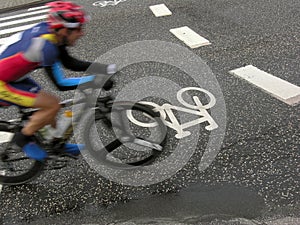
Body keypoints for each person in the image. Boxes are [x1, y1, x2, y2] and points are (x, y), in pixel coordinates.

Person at [0, 1, 116, 160]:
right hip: (2, 83)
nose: (82, 33)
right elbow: (60, 84)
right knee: (52, 104)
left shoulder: (53, 34)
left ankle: (57, 143)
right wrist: (94, 80)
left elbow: (70, 63)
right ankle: (22, 138)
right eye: (78, 28)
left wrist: (104, 69)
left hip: (13, 77)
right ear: (63, 30)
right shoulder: (45, 46)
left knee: (49, 106)